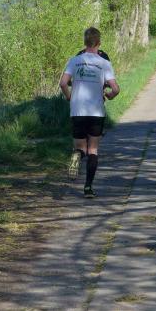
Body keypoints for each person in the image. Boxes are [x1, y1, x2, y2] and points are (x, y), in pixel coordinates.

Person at [59, 27, 120, 198]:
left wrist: (69, 97)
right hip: (96, 111)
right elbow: (115, 88)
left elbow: (63, 83)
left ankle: (76, 156)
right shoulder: (104, 63)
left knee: (79, 147)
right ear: (99, 43)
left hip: (77, 109)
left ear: (84, 42)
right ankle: (88, 187)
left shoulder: (75, 60)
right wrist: (110, 95)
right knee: (93, 149)